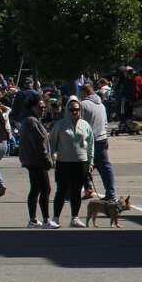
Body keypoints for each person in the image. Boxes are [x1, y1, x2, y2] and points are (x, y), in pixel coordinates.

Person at [49, 96, 94, 228]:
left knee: (76, 191)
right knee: (61, 191)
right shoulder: (60, 125)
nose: (74, 112)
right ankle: (55, 218)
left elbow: (91, 145)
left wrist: (90, 163)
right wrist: (53, 159)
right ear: (67, 110)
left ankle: (75, 218)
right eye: (71, 109)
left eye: (77, 109)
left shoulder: (85, 125)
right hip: (63, 162)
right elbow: (52, 143)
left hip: (81, 162)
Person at [18, 95, 52, 227]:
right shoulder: (32, 121)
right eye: (40, 107)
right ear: (32, 107)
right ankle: (46, 220)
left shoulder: (30, 120)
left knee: (36, 189)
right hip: (37, 161)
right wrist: (46, 159)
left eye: (44, 107)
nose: (43, 109)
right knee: (45, 189)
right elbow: (39, 143)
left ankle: (33, 220)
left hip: (31, 160)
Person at [78, 83, 115, 202]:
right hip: (102, 138)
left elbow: (79, 123)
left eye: (80, 92)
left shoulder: (83, 105)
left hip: (88, 140)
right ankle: (110, 193)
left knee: (81, 166)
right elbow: (105, 123)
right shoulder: (101, 105)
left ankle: (85, 190)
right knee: (105, 167)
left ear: (84, 92)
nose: (78, 95)